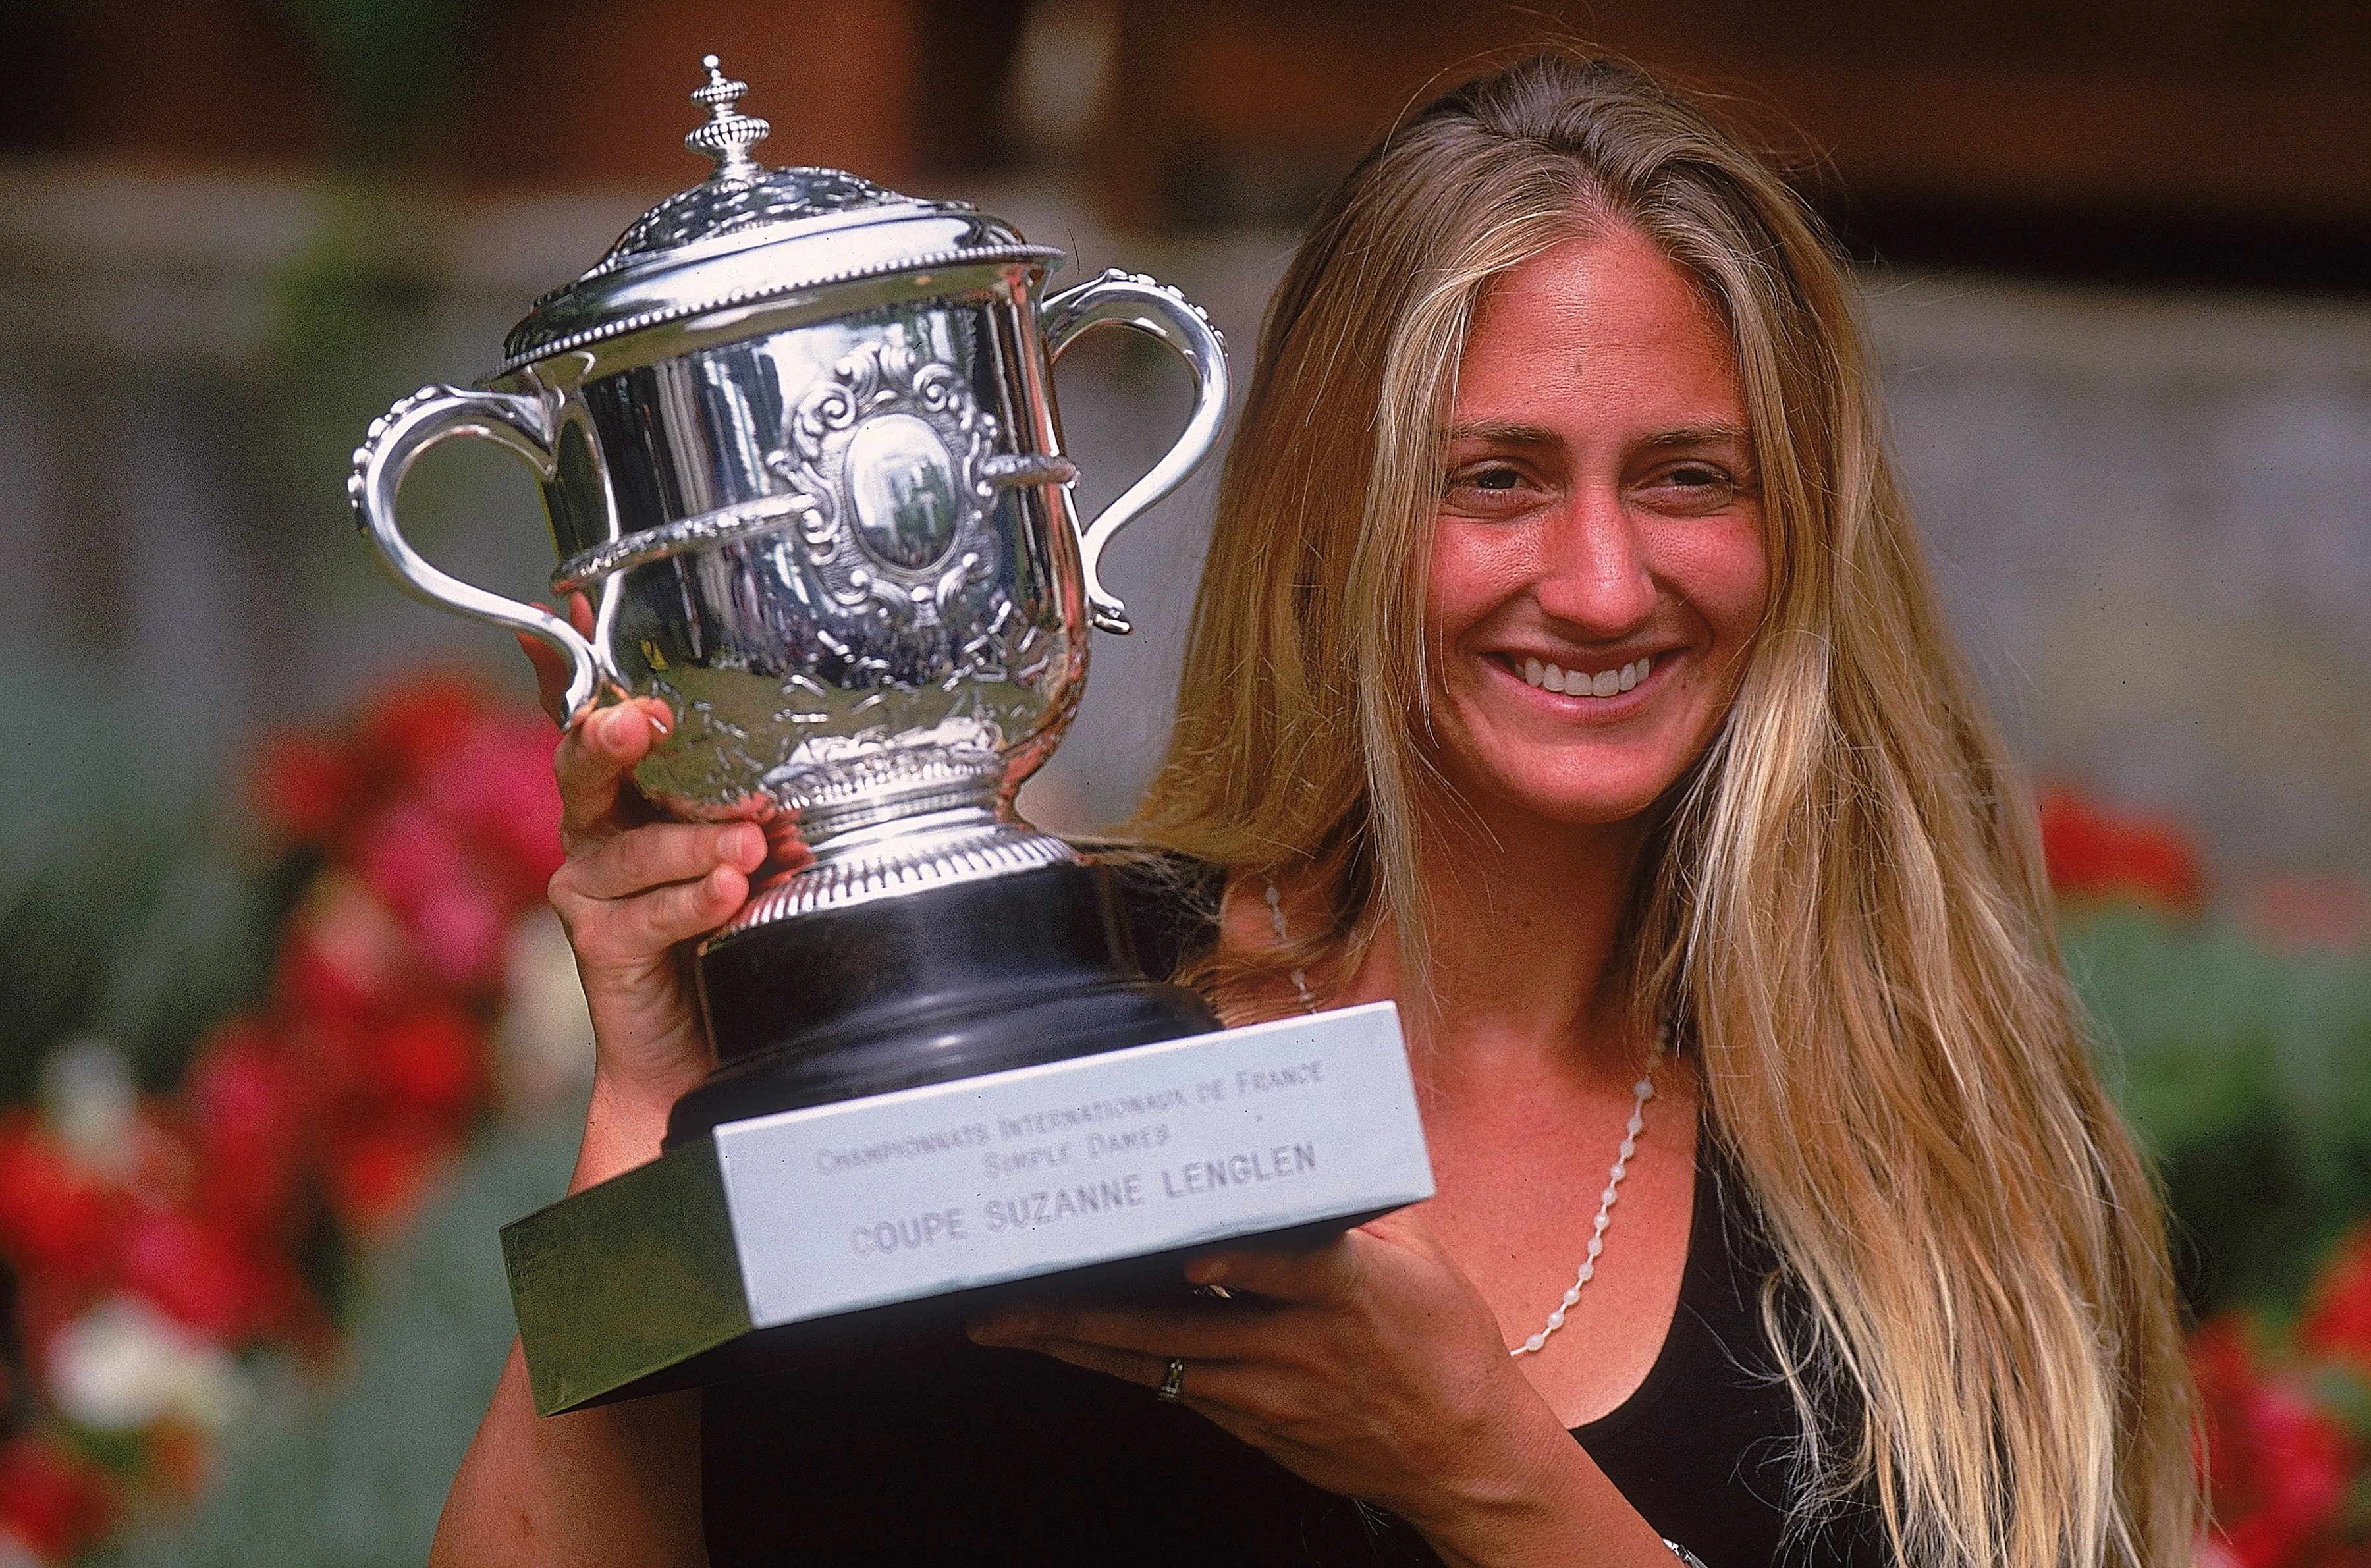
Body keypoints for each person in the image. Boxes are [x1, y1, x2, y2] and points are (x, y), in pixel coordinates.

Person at [433, 51, 2196, 1568]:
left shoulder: (1937, 1160)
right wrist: (656, 1100)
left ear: (1795, 528)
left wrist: (1490, 1473)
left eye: (1688, 479)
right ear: (1333, 512)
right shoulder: (1012, 1067)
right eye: (1496, 479)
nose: (1600, 582)